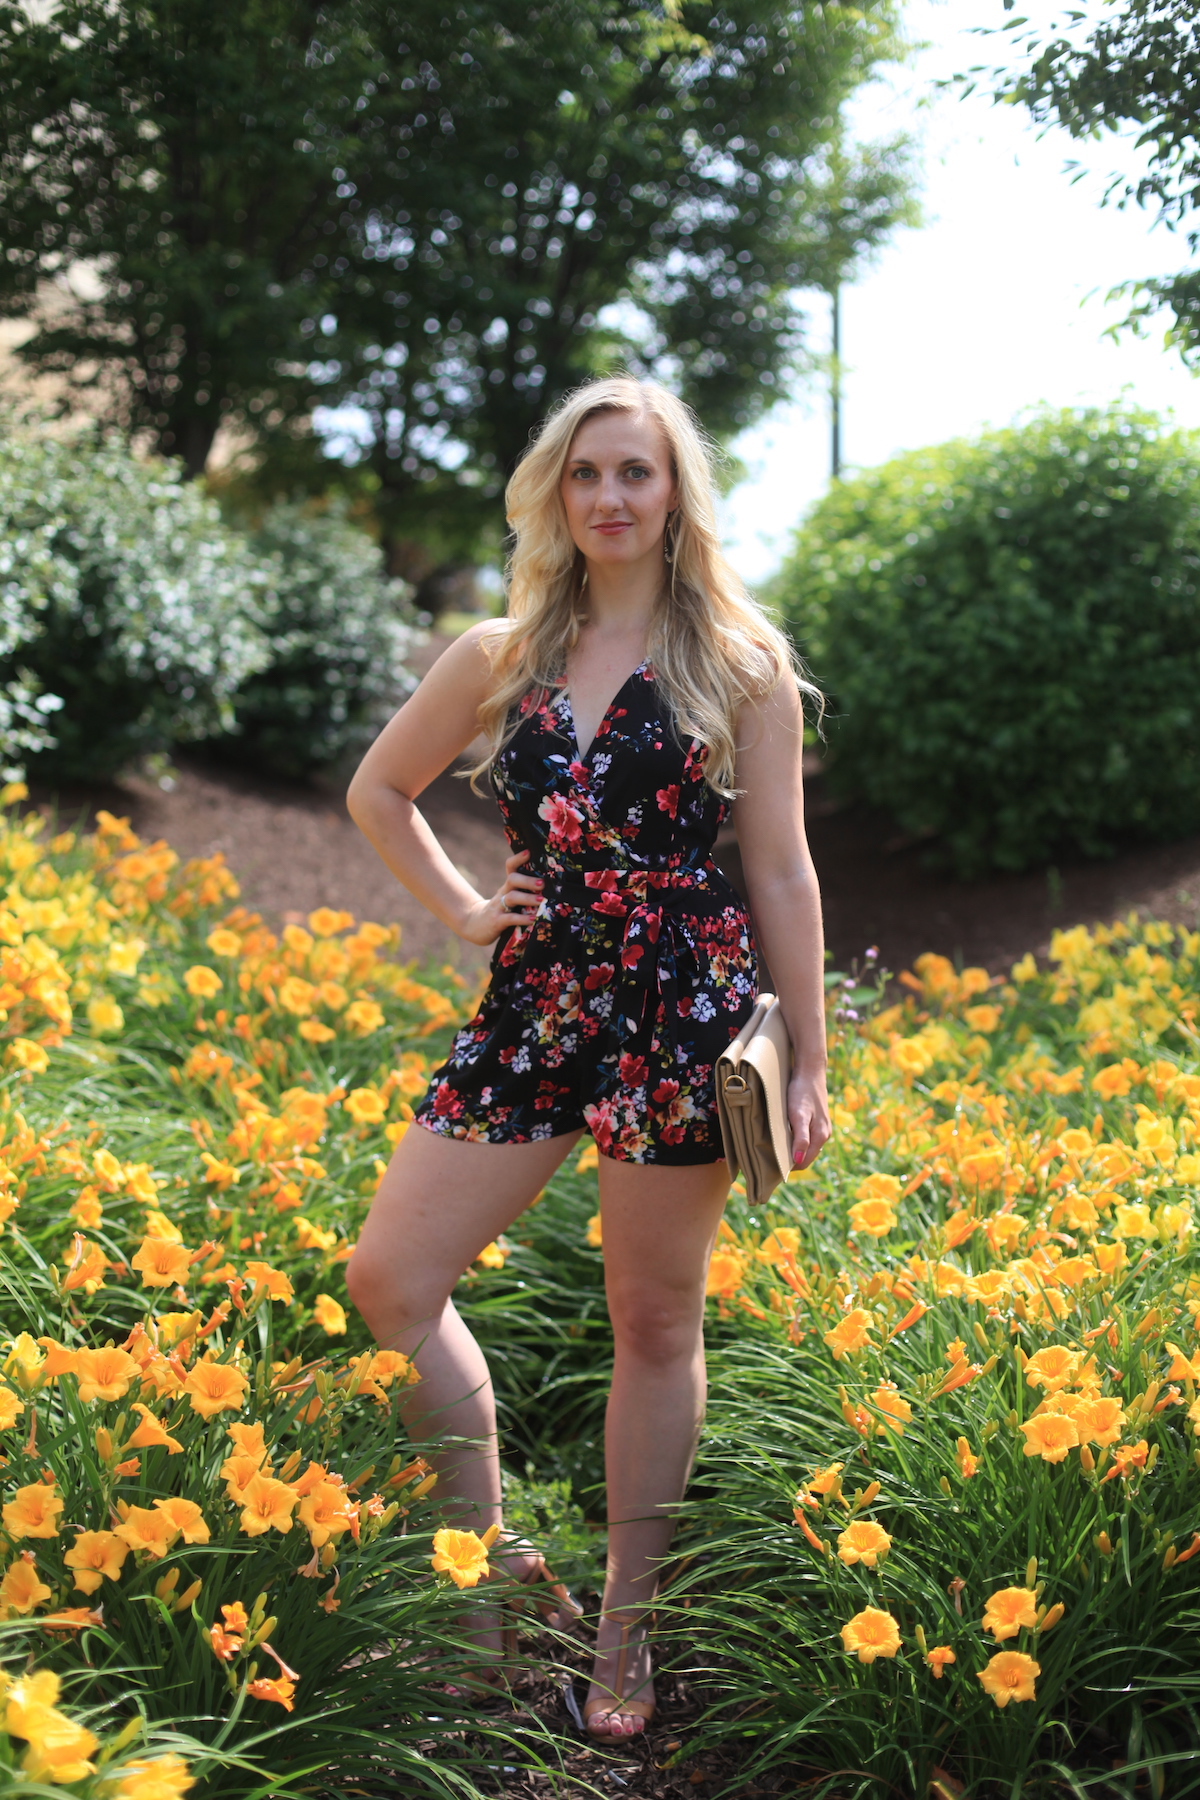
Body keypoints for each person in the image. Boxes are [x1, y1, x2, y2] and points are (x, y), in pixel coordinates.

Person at [344, 375, 830, 1739]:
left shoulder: (739, 665)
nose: (612, 496)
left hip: (683, 1004)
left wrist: (807, 1059)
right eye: (588, 473)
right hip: (535, 999)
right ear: (557, 493)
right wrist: (456, 907)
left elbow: (783, 873)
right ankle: (490, 1568)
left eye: (639, 472)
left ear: (678, 495)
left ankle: (629, 1631)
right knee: (391, 1277)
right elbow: (379, 791)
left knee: (655, 1320)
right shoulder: (500, 650)